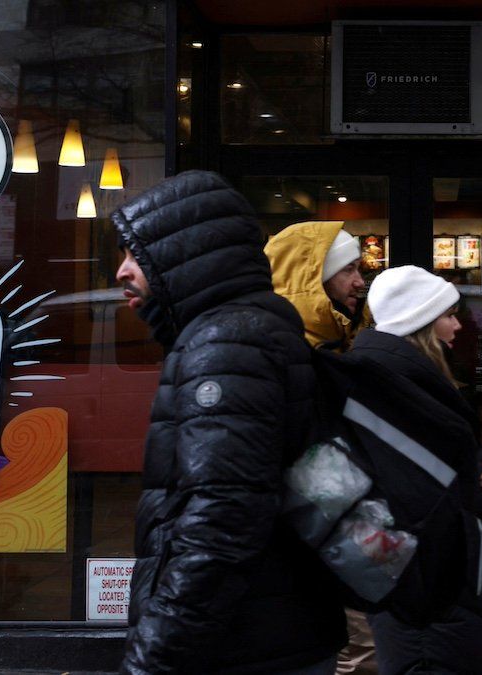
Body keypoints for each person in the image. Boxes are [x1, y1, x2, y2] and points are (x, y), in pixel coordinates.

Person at [113, 171, 346, 674]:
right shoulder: (248, 328)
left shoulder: (224, 343)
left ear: (181, 256)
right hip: (273, 628)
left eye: (136, 255)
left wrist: (158, 652)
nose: (122, 271)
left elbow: (222, 517)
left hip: (244, 644)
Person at [345, 265, 482, 675]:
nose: (458, 325)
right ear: (422, 325)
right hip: (430, 585)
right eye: (449, 315)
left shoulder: (406, 378)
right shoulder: (390, 384)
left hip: (437, 581)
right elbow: (419, 490)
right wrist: (480, 481)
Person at [265, 221, 376, 673]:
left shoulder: (337, 343)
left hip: (341, 530)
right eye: (348, 269)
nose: (360, 282)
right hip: (321, 535)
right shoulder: (288, 351)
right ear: (312, 275)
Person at [265, 221, 366, 352]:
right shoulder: (280, 350)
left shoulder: (344, 338)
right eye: (348, 269)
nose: (360, 282)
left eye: (359, 269)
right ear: (315, 279)